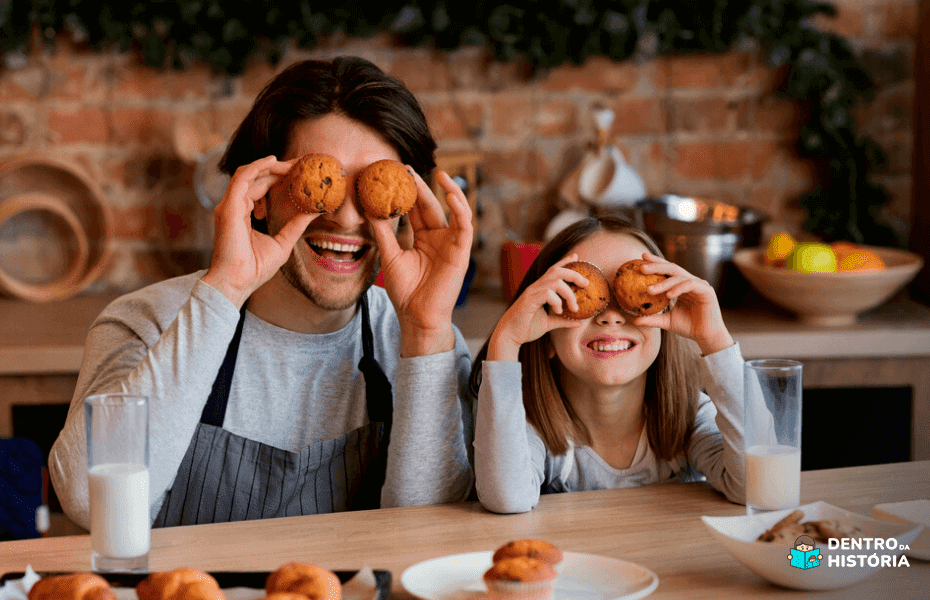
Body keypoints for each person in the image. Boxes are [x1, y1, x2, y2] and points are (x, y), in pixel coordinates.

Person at [49, 56, 475, 529]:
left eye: (367, 189)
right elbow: (91, 505)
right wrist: (225, 288)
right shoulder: (144, 323)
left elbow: (431, 539)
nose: (348, 218)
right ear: (261, 193)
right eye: (323, 183)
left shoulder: (426, 342)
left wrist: (425, 334)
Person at [470, 215, 773, 513]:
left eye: (635, 296)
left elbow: (761, 485)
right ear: (546, 337)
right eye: (578, 289)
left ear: (663, 324)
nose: (611, 316)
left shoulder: (688, 418)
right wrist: (507, 339)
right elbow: (506, 499)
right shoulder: (530, 428)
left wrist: (715, 340)